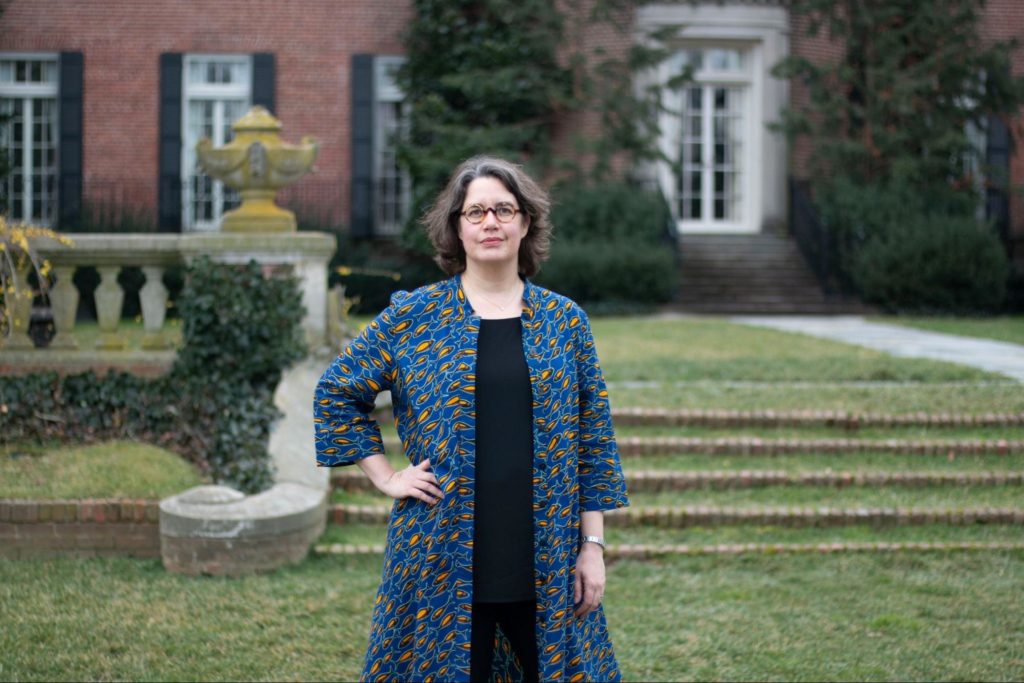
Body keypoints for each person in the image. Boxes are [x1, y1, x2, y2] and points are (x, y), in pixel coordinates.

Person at [314, 155, 629, 682]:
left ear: (525, 223)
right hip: (440, 550)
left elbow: (593, 440)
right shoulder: (415, 317)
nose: (490, 223)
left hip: (547, 556)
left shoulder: (563, 321)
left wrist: (592, 546)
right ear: (456, 227)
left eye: (504, 210)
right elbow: (336, 393)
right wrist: (387, 476)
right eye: (475, 211)